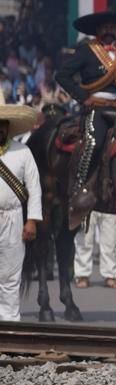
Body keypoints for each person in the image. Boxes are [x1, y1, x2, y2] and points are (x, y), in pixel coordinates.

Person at [56, 11, 116, 221]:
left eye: (113, 28)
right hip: (97, 109)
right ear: (98, 31)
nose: (109, 31)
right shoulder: (86, 52)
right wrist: (82, 97)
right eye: (105, 28)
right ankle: (80, 188)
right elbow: (61, 75)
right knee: (95, 142)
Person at [0, 92, 41, 321]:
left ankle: (9, 323)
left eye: (2, 125)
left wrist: (32, 220)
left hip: (13, 218)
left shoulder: (22, 152)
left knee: (10, 274)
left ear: (8, 127)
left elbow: (35, 188)